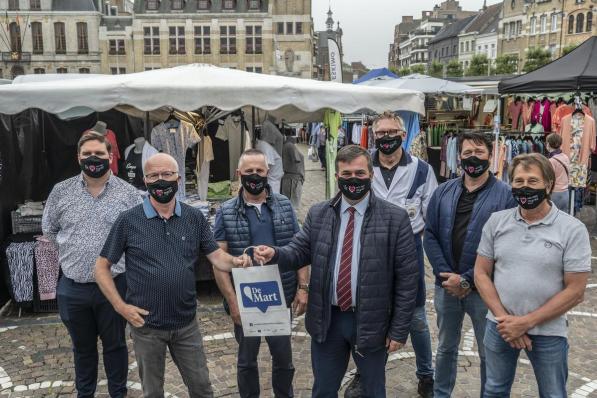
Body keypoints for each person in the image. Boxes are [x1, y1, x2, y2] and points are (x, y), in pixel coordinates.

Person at [253, 145, 420, 398]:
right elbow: (299, 251)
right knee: (323, 389)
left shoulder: (395, 219)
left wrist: (398, 329)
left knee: (374, 390)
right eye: (347, 174)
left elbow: (408, 279)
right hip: (327, 321)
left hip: (372, 320)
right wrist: (275, 254)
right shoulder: (319, 213)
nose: (354, 179)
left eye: (360, 173)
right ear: (337, 176)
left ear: (371, 174)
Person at [94, 153, 250, 398]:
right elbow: (101, 266)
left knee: (201, 388)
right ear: (145, 180)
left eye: (167, 174)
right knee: (153, 392)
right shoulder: (128, 220)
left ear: (178, 177)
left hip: (186, 323)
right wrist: (120, 306)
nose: (161, 180)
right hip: (146, 326)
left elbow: (217, 257)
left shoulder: (194, 217)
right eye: (154, 175)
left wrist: (238, 262)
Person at [475, 153, 591, 397]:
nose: (525, 187)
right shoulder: (496, 222)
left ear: (548, 184)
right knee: (494, 390)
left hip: (548, 332)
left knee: (553, 393)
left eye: (533, 181)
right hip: (500, 327)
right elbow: (481, 273)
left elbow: (576, 290)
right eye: (518, 181)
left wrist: (525, 323)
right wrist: (505, 320)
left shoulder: (572, 229)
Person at [42, 131, 142, 398]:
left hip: (115, 286)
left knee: (116, 347)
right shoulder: (61, 192)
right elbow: (49, 231)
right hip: (73, 288)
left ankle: (118, 393)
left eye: (99, 153)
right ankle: (84, 394)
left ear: (110, 156)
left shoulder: (129, 194)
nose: (93, 158)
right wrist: (74, 250)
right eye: (87, 154)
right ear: (78, 158)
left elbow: (138, 237)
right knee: (82, 349)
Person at [424, 132, 517, 398]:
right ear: (459, 156)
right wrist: (447, 277)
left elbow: (505, 246)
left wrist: (466, 278)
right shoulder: (443, 191)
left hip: (485, 292)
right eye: (467, 153)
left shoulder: (506, 196)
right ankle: (441, 394)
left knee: (489, 350)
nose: (472, 158)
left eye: (479, 152)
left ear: (490, 155)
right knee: (445, 348)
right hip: (447, 289)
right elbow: (429, 234)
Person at [350, 111, 437, 397]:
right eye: (381, 133)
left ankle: (426, 373)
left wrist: (408, 243)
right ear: (374, 136)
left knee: (416, 318)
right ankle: (365, 375)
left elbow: (431, 215)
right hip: (368, 250)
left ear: (403, 135)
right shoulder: (362, 167)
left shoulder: (422, 169)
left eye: (392, 132)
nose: (386, 137)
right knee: (369, 315)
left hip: (408, 249)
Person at [213, 149, 310, 398]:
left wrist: (302, 287)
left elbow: (299, 250)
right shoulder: (225, 211)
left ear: (267, 172)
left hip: (279, 296)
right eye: (248, 171)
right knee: (246, 362)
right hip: (246, 299)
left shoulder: (284, 205)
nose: (254, 176)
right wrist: (233, 303)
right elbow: (218, 262)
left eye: (259, 171)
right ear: (239, 174)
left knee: (284, 361)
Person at [546, 133, 571, 213]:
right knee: (563, 217)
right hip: (565, 193)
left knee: (552, 217)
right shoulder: (565, 156)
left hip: (555, 193)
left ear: (549, 144)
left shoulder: (551, 161)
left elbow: (549, 179)